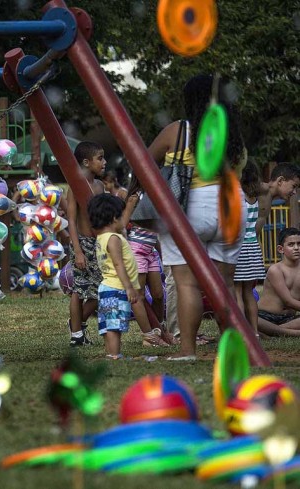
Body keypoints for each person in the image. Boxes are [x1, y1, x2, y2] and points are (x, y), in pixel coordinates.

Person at [146, 74, 247, 361]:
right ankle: (234, 351)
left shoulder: (178, 130)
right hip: (232, 205)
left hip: (191, 206)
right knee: (226, 285)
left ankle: (187, 351)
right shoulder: (233, 133)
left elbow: (142, 161)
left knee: (187, 284)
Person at [65, 141, 106, 346]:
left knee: (101, 288)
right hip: (80, 242)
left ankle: (76, 323)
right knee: (79, 289)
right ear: (86, 162)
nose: (104, 162)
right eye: (100, 158)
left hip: (98, 243)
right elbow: (71, 220)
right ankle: (76, 335)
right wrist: (78, 251)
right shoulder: (75, 185)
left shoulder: (100, 186)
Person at [88, 194, 138, 359]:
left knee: (108, 323)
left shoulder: (101, 237)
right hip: (116, 287)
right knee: (114, 325)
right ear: (114, 218)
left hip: (107, 287)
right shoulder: (114, 239)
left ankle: (111, 353)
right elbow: (118, 264)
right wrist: (129, 287)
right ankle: (115, 355)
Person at [122, 191, 172, 346]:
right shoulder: (136, 197)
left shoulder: (154, 195)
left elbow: (154, 231)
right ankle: (148, 336)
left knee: (158, 294)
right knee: (139, 295)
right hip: (136, 249)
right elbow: (122, 225)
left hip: (150, 250)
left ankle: (160, 330)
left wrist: (162, 253)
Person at [233, 162, 266, 336]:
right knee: (249, 291)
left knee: (237, 290)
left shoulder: (238, 196)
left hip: (239, 247)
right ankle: (254, 331)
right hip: (253, 247)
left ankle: (241, 331)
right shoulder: (255, 197)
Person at [257, 228, 300, 336]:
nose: (296, 248)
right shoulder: (275, 270)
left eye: (299, 244)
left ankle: (273, 331)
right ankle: (293, 333)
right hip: (265, 316)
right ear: (281, 249)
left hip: (289, 319)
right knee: (247, 317)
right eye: (291, 244)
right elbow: (288, 301)